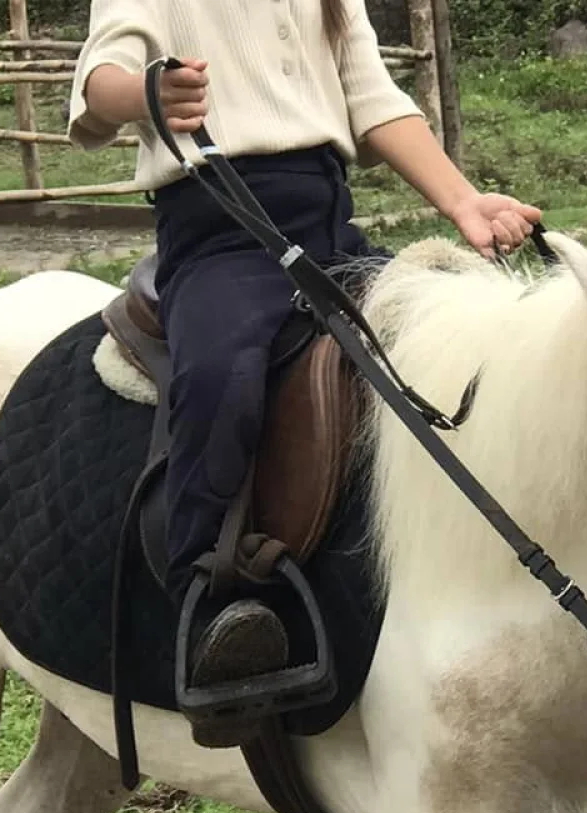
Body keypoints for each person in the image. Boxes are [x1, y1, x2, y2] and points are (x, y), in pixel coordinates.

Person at [68, 0, 541, 745]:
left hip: (328, 227)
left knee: (438, 342)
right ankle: (206, 596)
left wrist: (464, 202)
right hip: (219, 231)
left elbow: (374, 100)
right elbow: (100, 83)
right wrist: (149, 93)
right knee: (221, 379)